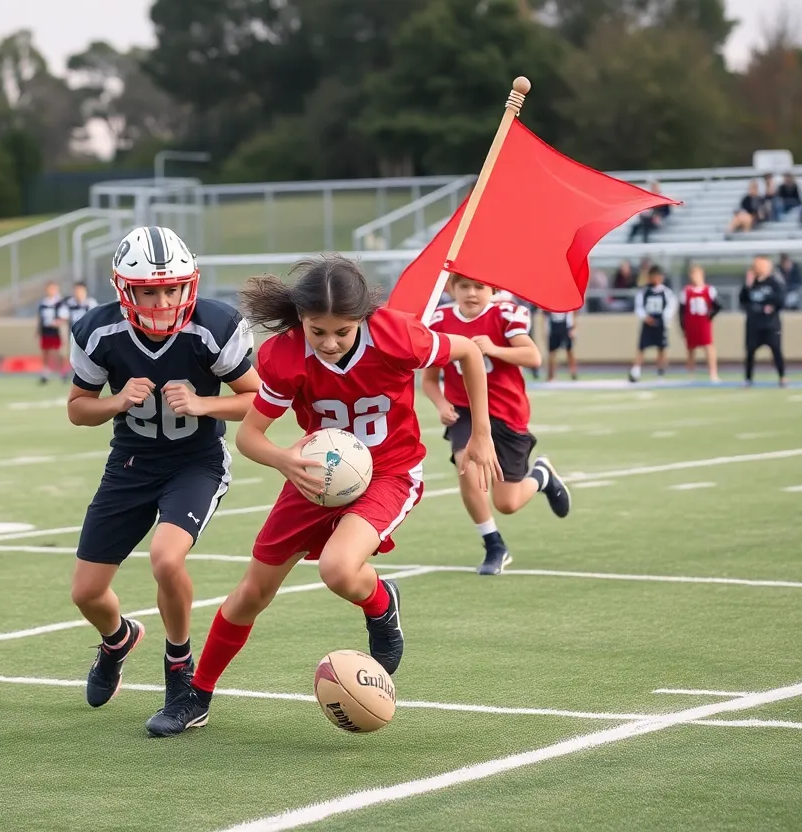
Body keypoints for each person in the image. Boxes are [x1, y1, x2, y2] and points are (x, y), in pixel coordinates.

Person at [144, 254, 501, 738]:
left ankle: (379, 603)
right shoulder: (287, 354)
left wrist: (481, 433)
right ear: (301, 320)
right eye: (318, 331)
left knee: (338, 568)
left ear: (362, 320)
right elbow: (251, 436)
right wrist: (284, 460)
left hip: (390, 471)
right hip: (315, 475)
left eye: (343, 332)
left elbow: (470, 354)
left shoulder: (398, 335)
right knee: (252, 592)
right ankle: (197, 695)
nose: (329, 343)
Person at [67, 226, 259, 723]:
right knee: (86, 593)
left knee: (165, 558)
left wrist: (203, 403)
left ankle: (180, 672)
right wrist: (115, 400)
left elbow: (257, 399)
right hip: (129, 465)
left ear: (188, 285)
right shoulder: (99, 330)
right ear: (124, 289)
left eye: (171, 288)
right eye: (149, 290)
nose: (162, 300)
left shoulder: (213, 325)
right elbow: (78, 409)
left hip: (195, 462)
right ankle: (118, 640)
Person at [423, 274, 571, 575]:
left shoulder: (505, 314)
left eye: (479, 287)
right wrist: (441, 404)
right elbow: (427, 379)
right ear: (451, 288)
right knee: (466, 461)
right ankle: (493, 544)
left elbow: (533, 357)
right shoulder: (440, 320)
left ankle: (541, 476)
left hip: (505, 411)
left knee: (508, 502)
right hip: (464, 409)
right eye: (464, 286)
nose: (472, 293)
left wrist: (493, 348)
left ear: (494, 290)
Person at [740, 256, 786, 387]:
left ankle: (782, 377)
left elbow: (781, 300)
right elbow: (743, 300)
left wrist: (772, 306)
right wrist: (747, 285)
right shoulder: (751, 283)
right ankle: (748, 379)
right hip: (754, 324)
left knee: (776, 350)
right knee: (750, 352)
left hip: (770, 324)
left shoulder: (774, 282)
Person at [629, 266, 677, 382]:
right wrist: (645, 317)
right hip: (648, 322)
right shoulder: (644, 291)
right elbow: (639, 307)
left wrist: (665, 319)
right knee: (641, 347)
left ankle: (660, 373)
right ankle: (636, 371)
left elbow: (671, 306)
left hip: (661, 323)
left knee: (662, 348)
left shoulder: (666, 292)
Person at [679, 265, 721, 383]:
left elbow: (718, 305)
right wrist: (682, 326)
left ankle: (713, 373)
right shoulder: (686, 291)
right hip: (691, 322)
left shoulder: (709, 290)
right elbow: (681, 310)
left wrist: (710, 315)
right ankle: (691, 374)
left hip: (703, 322)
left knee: (708, 347)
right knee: (690, 349)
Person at [60, 281, 98, 381]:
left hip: (87, 334)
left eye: (80, 290)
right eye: (76, 290)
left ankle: (90, 374)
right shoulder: (69, 303)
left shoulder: (91, 303)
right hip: (73, 333)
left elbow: (95, 319)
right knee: (71, 354)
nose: (78, 293)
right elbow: (63, 316)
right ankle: (67, 373)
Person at [37, 281, 64, 384]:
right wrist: (37, 331)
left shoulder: (59, 303)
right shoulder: (43, 303)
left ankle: (61, 372)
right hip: (45, 331)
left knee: (57, 352)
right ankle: (45, 372)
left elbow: (63, 316)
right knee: (45, 352)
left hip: (55, 331)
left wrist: (57, 323)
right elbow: (40, 318)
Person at [546, 310, 578, 381]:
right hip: (554, 328)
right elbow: (545, 316)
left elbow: (574, 314)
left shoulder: (567, 303)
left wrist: (574, 328)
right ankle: (551, 375)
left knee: (569, 351)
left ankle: (573, 372)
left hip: (566, 327)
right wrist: (546, 330)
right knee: (552, 353)